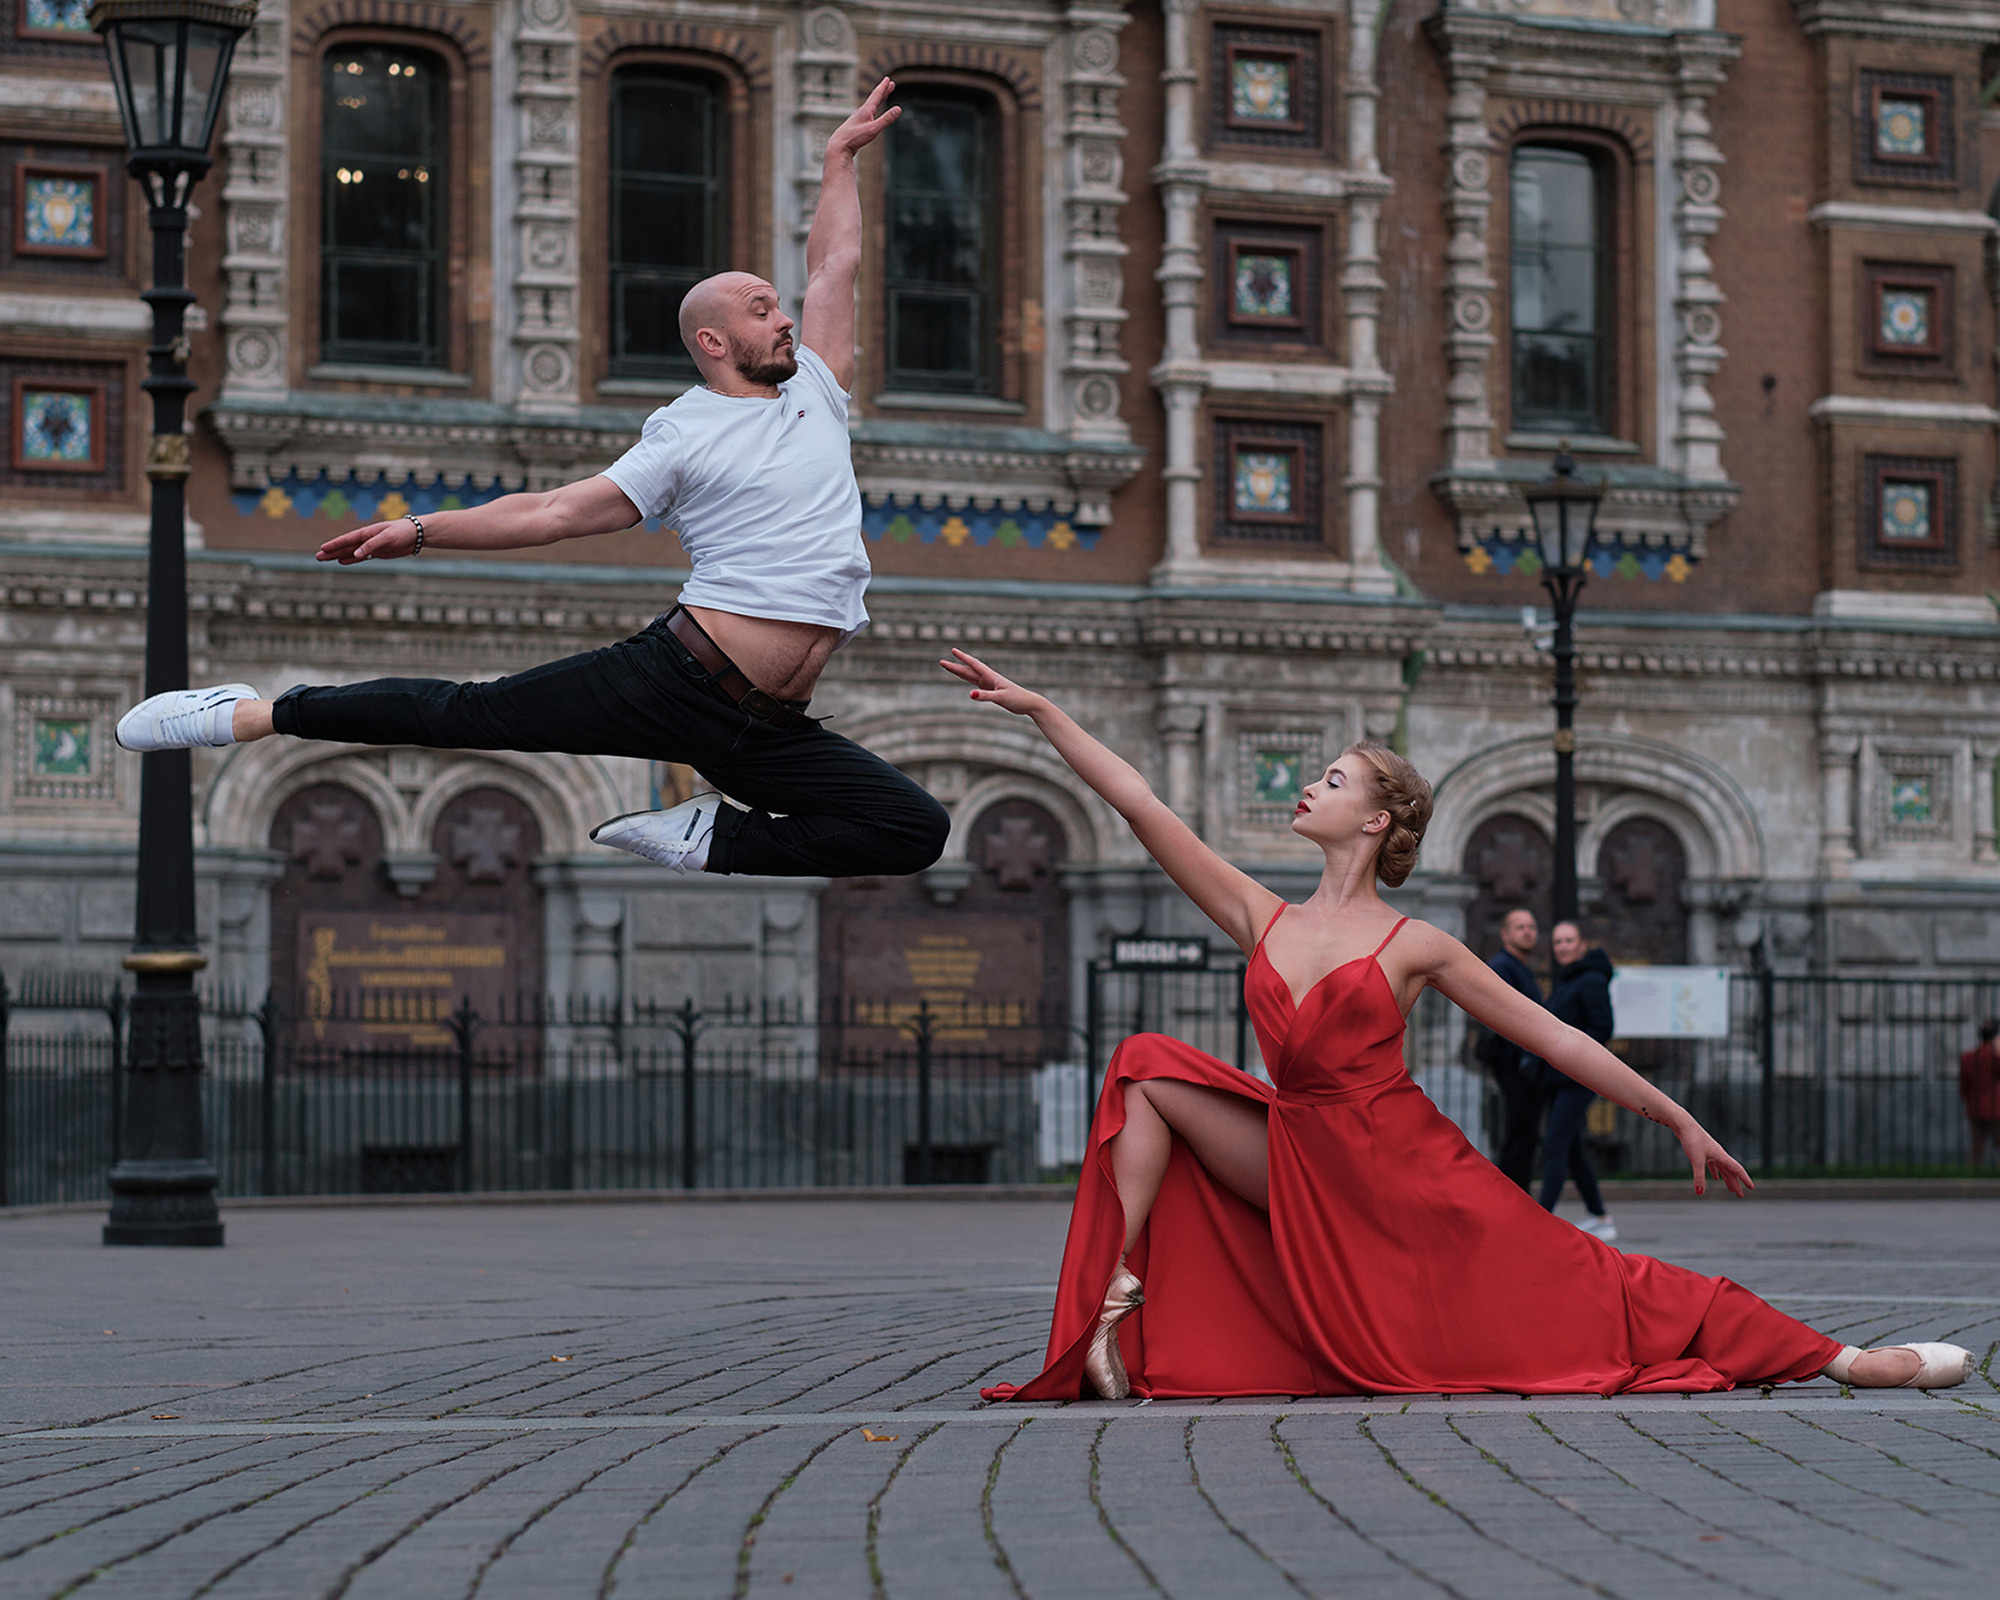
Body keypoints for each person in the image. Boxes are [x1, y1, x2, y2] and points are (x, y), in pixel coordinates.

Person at [939, 648, 1972, 1400]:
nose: (1309, 786)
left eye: (1332, 780)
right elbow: (1140, 804)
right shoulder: (1261, 913)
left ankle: (1841, 1358)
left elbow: (1553, 1037)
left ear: (1376, 819)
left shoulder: (1415, 944)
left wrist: (1673, 1116)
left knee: (1596, 1285)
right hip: (1298, 1149)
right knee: (1142, 1069)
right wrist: (1041, 712)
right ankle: (1115, 1296)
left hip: (1402, 1170)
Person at [113, 80, 948, 884]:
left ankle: (714, 836)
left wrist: (840, 159)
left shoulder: (818, 392)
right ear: (715, 341)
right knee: (465, 715)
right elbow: (554, 512)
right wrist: (422, 529)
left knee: (915, 828)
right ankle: (249, 714)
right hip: (673, 680)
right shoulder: (685, 431)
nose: (786, 316)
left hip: (764, 729)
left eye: (778, 303)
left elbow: (835, 264)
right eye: (762, 309)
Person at [1525, 920, 1617, 1241]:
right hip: (1559, 1077)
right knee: (1572, 1149)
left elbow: (1603, 1027)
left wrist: (1573, 1051)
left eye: (1569, 941)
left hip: (1578, 1077)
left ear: (1581, 944)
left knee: (1555, 1146)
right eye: (1558, 942)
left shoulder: (1590, 980)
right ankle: (1600, 1216)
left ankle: (1538, 1221)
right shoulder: (1567, 980)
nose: (1563, 946)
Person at [1474, 906, 1545, 1191]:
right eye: (1521, 927)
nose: (1528, 932)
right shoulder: (1503, 966)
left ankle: (1514, 1196)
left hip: (1524, 1065)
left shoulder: (1521, 968)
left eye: (1531, 927)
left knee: (1524, 1133)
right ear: (1505, 934)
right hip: (1513, 1063)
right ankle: (1510, 1195)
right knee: (1520, 1131)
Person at [1960, 1020, 2000, 1167]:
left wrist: (1970, 1102)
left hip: (1975, 1109)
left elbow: (1963, 1087)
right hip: (1995, 1111)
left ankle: (1974, 1175)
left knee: (1977, 1149)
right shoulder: (1994, 1058)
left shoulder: (1968, 1058)